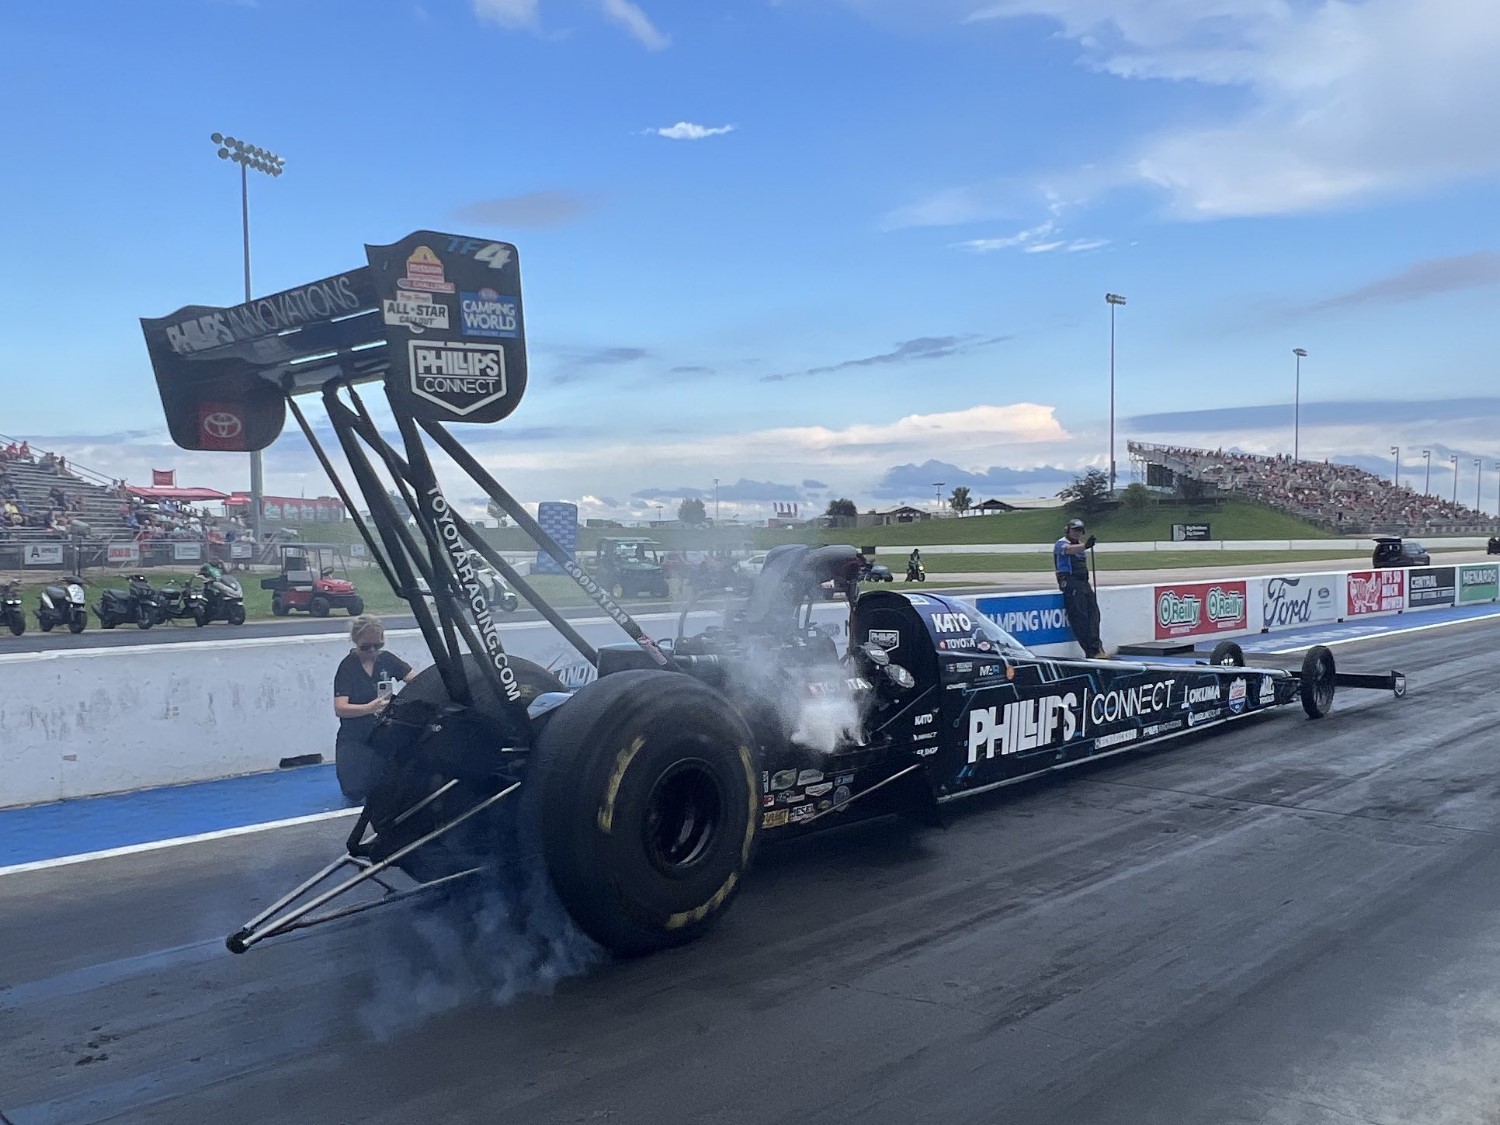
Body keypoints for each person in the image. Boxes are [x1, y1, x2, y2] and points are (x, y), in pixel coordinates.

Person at [333, 615, 416, 804]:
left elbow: (415, 680)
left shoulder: (387, 660)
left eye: (377, 645)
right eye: (365, 647)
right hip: (355, 735)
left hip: (383, 732)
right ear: (356, 642)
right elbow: (340, 708)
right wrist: (369, 708)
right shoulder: (348, 667)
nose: (372, 651)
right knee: (354, 791)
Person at [1054, 517, 1106, 658]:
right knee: (1080, 618)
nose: (1077, 533)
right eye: (1074, 530)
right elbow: (1068, 550)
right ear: (1068, 531)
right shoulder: (1061, 544)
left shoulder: (1081, 545)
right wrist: (1085, 546)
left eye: (1079, 531)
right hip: (1071, 583)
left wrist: (1084, 546)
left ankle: (1098, 648)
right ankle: (1091, 651)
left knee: (1094, 615)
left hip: (1083, 582)